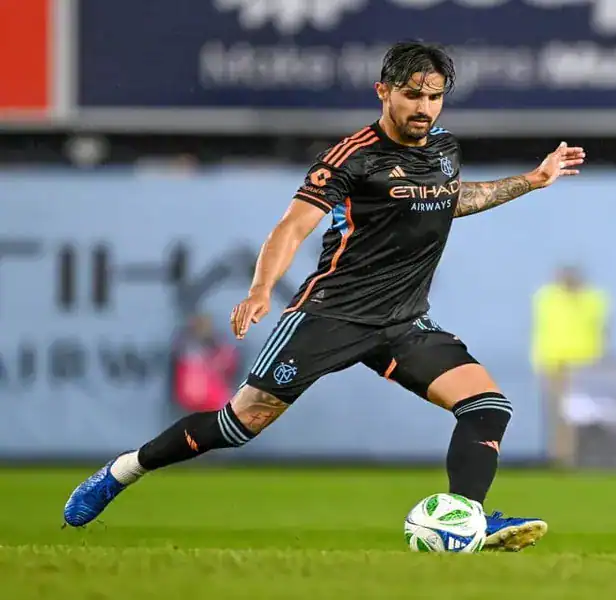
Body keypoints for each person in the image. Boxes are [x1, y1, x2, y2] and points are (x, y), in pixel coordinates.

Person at [63, 41, 586, 552]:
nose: (423, 108)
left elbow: (450, 199)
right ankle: (122, 472)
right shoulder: (352, 158)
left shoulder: (444, 148)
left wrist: (531, 180)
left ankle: (464, 520)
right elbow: (292, 226)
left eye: (434, 97)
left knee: (487, 406)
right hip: (329, 315)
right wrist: (261, 290)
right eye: (411, 96)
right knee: (237, 425)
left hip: (402, 322)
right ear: (384, 91)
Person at [530, 265, 609, 466]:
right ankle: (562, 456)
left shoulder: (593, 299)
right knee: (561, 413)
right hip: (556, 363)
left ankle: (579, 455)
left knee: (584, 412)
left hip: (585, 365)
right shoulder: (548, 297)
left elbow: (602, 329)